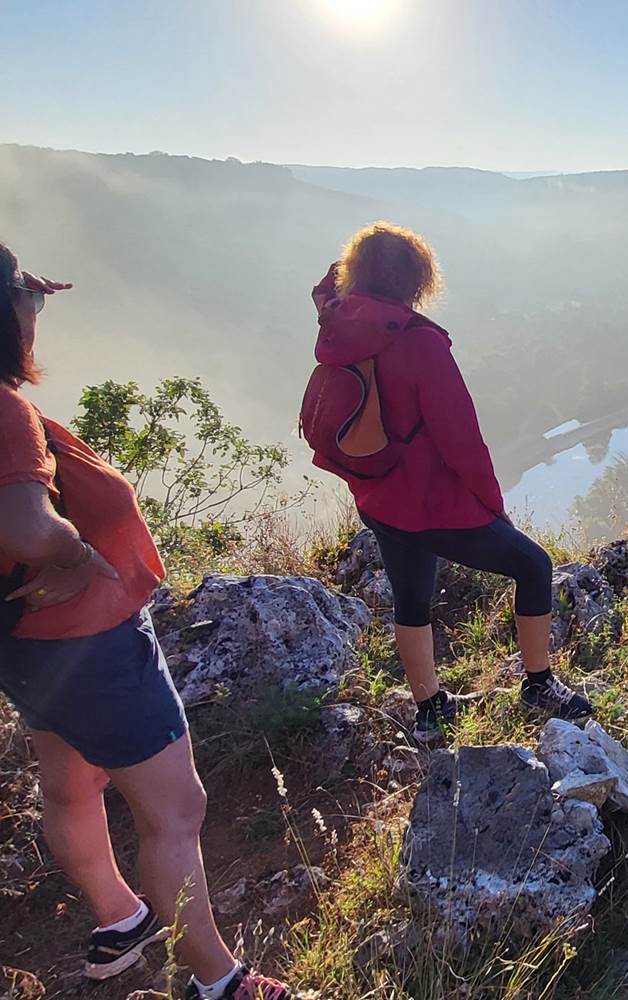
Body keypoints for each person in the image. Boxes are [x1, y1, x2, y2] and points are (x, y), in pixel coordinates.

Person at [0, 245, 295, 998]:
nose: (37, 309)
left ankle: (119, 917)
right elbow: (29, 527)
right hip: (90, 641)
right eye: (27, 296)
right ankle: (219, 983)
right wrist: (69, 558)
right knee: (177, 811)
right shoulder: (4, 412)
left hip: (29, 649)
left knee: (69, 785)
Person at [310, 222, 592, 743]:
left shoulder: (340, 324)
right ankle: (538, 684)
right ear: (417, 281)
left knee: (411, 598)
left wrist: (340, 283)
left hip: (376, 497)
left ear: (359, 275)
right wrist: (493, 506)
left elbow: (325, 293)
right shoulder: (420, 345)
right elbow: (462, 439)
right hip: (430, 505)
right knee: (534, 565)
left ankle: (430, 707)